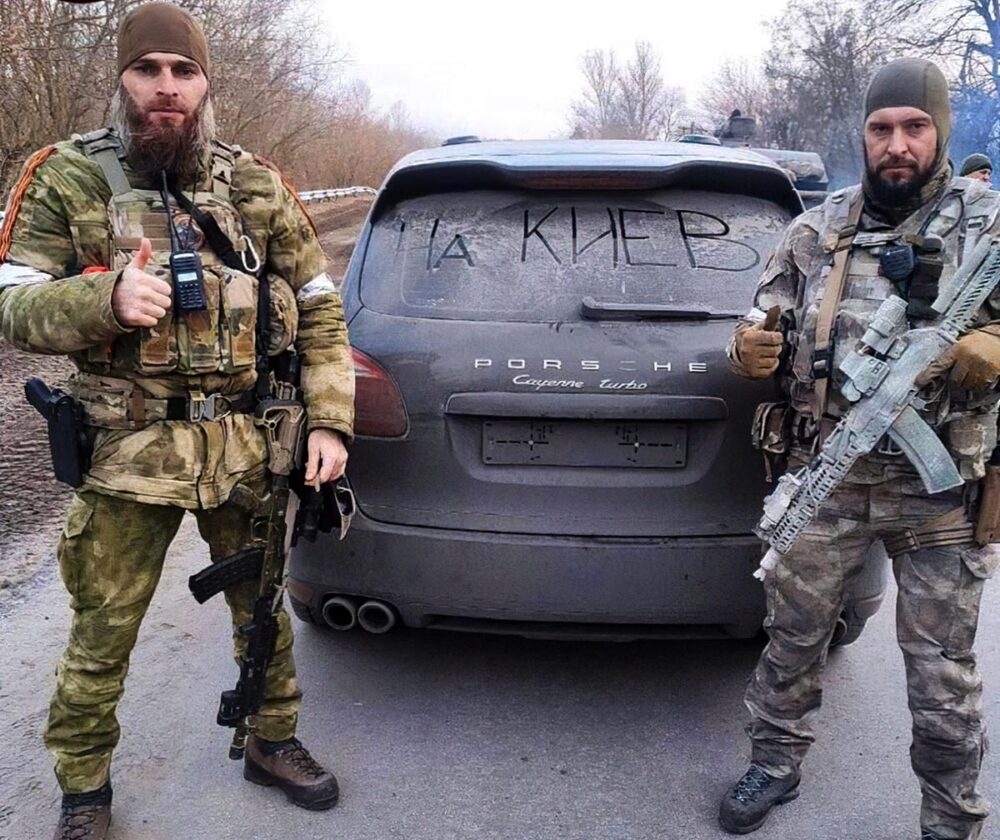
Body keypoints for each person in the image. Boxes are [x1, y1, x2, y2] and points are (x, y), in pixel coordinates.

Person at [0, 5, 354, 838]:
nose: (166, 88)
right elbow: (11, 305)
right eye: (148, 69)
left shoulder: (257, 182)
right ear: (121, 79)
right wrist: (105, 300)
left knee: (261, 608)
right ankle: (85, 789)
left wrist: (330, 423)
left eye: (183, 72)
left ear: (204, 84)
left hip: (244, 445)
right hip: (128, 452)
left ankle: (273, 740)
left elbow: (320, 311)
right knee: (104, 629)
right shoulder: (65, 177)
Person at [721, 57, 1000, 840]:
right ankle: (774, 766)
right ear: (864, 136)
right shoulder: (817, 228)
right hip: (826, 472)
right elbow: (762, 317)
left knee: (942, 673)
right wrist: (747, 347)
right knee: (793, 637)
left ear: (940, 131)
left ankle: (950, 817)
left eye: (915, 127)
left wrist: (992, 347)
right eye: (882, 129)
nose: (897, 144)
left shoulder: (989, 227)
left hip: (939, 489)